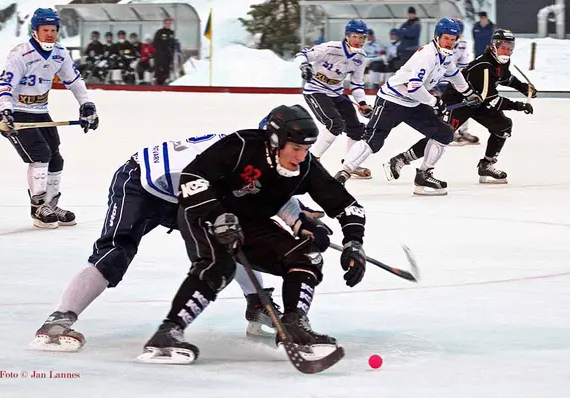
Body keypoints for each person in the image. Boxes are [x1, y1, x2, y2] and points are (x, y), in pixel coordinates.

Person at [30, 127, 335, 352]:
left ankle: (257, 305)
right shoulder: (236, 156)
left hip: (183, 189)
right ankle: (59, 319)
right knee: (115, 252)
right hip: (142, 184)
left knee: (232, 234)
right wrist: (295, 219)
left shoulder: (252, 152)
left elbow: (264, 193)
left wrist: (300, 222)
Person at [137, 105, 367, 364]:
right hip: (206, 214)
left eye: (306, 149)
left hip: (249, 222)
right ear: (276, 141)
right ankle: (167, 334)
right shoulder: (242, 145)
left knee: (307, 256)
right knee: (219, 266)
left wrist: (354, 242)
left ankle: (294, 325)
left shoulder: (305, 166)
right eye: (296, 148)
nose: (302, 157)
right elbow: (191, 178)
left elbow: (347, 206)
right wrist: (217, 216)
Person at [334, 18, 483, 195]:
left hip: (414, 102)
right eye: (446, 38)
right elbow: (414, 87)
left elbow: (455, 75)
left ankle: (424, 175)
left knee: (444, 133)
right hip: (392, 100)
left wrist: (469, 93)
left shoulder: (447, 56)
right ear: (437, 36)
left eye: (453, 39)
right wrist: (435, 102)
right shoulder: (427, 55)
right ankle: (342, 174)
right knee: (373, 140)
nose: (450, 43)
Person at [0, 8, 98, 228]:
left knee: (56, 158)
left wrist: (87, 104)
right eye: (45, 30)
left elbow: (74, 81)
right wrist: (5, 109)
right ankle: (39, 208)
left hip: (41, 111)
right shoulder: (20, 54)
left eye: (53, 30)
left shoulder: (60, 53)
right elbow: (4, 85)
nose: (50, 34)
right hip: (17, 113)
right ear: (35, 31)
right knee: (40, 155)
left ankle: (50, 204)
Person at [389, 29, 536, 185]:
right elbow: (493, 100)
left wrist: (524, 88)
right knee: (443, 134)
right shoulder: (485, 65)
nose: (507, 51)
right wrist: (519, 106)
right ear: (494, 46)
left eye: (510, 47)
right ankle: (402, 159)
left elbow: (506, 78)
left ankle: (487, 164)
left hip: (477, 101)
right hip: (459, 102)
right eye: (503, 47)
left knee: (503, 126)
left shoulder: (501, 61)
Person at [294, 19, 374, 179]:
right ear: (347, 36)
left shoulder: (360, 57)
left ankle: (351, 164)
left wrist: (362, 103)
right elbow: (302, 55)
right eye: (354, 36)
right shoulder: (330, 48)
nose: (358, 41)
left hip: (336, 93)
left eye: (361, 37)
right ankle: (310, 161)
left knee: (356, 128)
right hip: (315, 91)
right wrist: (304, 66)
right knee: (335, 123)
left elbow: (357, 82)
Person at [446, 18, 479, 146]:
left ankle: (463, 131)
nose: (458, 34)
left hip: (456, 79)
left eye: (460, 31)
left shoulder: (463, 44)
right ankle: (449, 132)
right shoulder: (443, 43)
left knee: (465, 104)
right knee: (446, 107)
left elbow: (463, 63)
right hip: (441, 79)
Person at [153, 18, 175, 85]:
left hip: (169, 56)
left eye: (170, 23)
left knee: (167, 70)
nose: (168, 24)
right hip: (160, 55)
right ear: (164, 23)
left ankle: (166, 83)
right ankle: (158, 84)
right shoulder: (159, 32)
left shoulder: (172, 33)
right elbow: (155, 43)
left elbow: (173, 44)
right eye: (167, 23)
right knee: (159, 71)